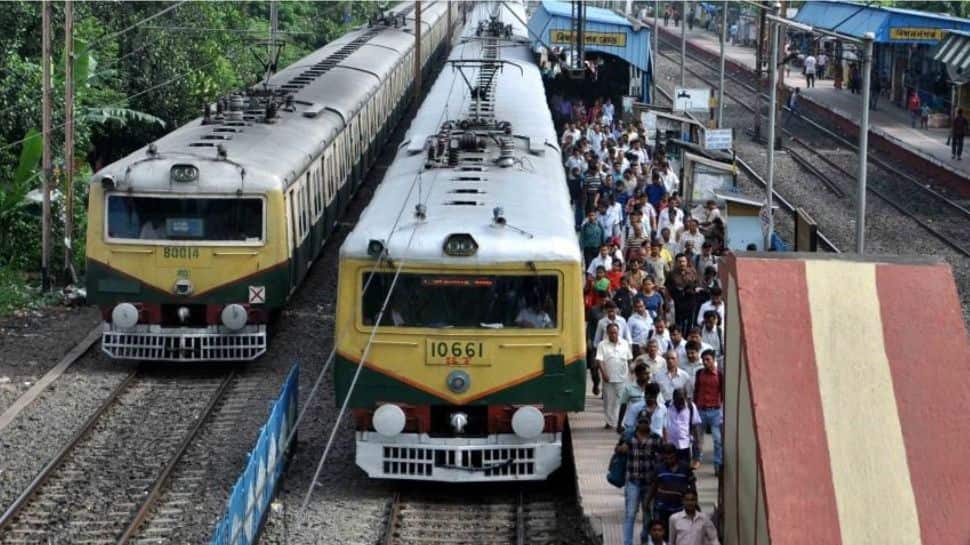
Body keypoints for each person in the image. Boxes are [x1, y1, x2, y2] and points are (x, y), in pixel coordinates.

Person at [616, 412, 663, 545]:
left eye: (645, 422)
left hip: (649, 482)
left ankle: (645, 538)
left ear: (649, 422)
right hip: (633, 481)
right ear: (637, 422)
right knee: (630, 514)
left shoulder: (656, 438)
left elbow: (662, 455)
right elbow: (617, 449)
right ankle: (627, 542)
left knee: (648, 514)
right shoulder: (628, 436)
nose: (643, 424)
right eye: (641, 421)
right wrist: (621, 448)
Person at [648, 443, 695, 530]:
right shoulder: (658, 468)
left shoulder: (685, 468)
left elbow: (692, 486)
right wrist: (647, 502)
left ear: (676, 455)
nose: (669, 461)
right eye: (666, 458)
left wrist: (694, 503)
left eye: (671, 458)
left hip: (679, 508)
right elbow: (653, 487)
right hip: (662, 508)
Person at [597, 323, 634, 430]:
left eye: (615, 332)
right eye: (611, 333)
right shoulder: (602, 345)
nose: (613, 334)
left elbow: (629, 359)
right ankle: (609, 422)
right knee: (609, 401)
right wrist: (603, 373)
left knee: (621, 400)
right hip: (608, 377)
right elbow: (599, 360)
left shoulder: (625, 343)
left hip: (622, 377)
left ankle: (620, 422)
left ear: (618, 332)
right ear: (607, 333)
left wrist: (631, 374)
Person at [692, 350, 723, 475]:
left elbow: (723, 392)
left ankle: (717, 464)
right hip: (700, 410)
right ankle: (697, 459)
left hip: (715, 411)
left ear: (714, 360)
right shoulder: (699, 373)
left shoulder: (719, 375)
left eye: (708, 359)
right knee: (697, 439)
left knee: (718, 440)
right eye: (703, 360)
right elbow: (696, 390)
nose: (705, 362)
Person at [664, 388, 701, 464]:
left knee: (684, 469)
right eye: (677, 400)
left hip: (685, 445)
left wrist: (697, 443)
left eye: (682, 400)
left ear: (686, 398)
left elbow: (695, 425)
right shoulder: (666, 407)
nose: (680, 403)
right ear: (673, 398)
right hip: (670, 445)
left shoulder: (691, 407)